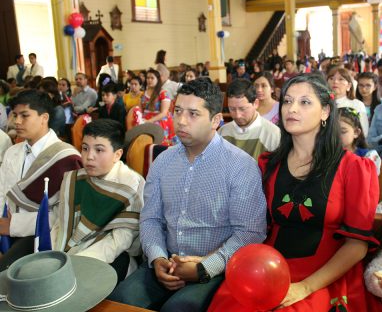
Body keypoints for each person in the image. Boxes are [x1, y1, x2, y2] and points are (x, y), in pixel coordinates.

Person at [209, 73, 382, 311]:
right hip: (267, 266)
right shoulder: (268, 164)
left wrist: (305, 287)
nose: (292, 109)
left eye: (305, 102)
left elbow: (357, 246)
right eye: (288, 101)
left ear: (325, 112)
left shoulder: (354, 168)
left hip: (324, 274)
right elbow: (251, 226)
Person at [109, 78, 267, 311]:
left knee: (178, 309)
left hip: (215, 269)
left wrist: (204, 267)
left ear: (216, 120)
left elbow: (250, 232)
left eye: (193, 114)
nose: (181, 121)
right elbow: (151, 218)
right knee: (119, 302)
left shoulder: (239, 166)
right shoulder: (163, 162)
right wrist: (157, 258)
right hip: (167, 262)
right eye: (178, 111)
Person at [51, 119, 144, 281]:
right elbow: (62, 223)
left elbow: (119, 241)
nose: (89, 157)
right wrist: (53, 252)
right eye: (85, 148)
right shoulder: (75, 178)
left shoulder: (130, 186)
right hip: (71, 250)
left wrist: (76, 262)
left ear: (117, 154)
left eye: (99, 150)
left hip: (111, 256)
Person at [0, 90, 82, 270]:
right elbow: (2, 194)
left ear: (44, 117)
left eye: (24, 115)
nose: (17, 122)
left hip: (42, 234)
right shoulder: (13, 152)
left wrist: (12, 226)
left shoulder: (66, 157)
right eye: (14, 115)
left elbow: (66, 216)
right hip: (5, 229)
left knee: (6, 271)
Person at [218, 78, 280, 160]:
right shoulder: (223, 132)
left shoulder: (272, 134)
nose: (237, 115)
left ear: (256, 104)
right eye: (232, 109)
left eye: (242, 109)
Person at [327, 67, 369, 136]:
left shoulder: (357, 104)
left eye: (341, 79)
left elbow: (364, 131)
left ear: (349, 86)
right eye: (331, 78)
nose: (335, 82)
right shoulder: (321, 103)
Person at [339, 107, 381, 175]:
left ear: (356, 132)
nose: (337, 136)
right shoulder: (327, 155)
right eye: (333, 132)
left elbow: (371, 180)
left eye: (343, 131)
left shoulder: (366, 156)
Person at [141, 69, 175, 146]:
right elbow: (140, 110)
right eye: (148, 78)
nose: (149, 80)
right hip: (146, 119)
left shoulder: (163, 93)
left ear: (157, 79)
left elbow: (164, 113)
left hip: (160, 120)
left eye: (152, 78)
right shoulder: (143, 94)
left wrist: (149, 121)